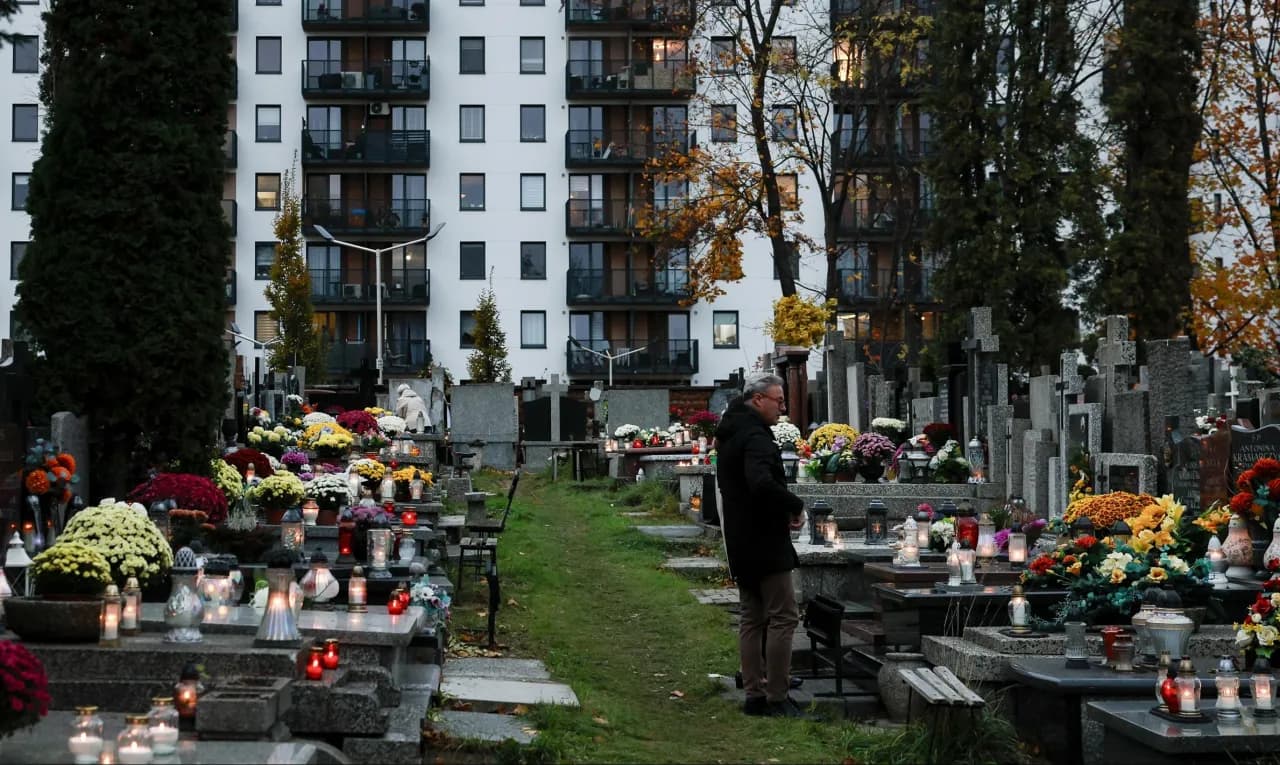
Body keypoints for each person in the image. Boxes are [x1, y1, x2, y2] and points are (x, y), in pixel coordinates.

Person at [715, 372, 807, 718]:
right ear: (758, 400)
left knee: (752, 618)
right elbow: (760, 482)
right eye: (778, 400)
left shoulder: (730, 430)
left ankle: (754, 694)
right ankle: (777, 696)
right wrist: (793, 504)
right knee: (784, 617)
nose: (783, 408)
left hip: (741, 538)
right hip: (765, 540)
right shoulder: (754, 435)